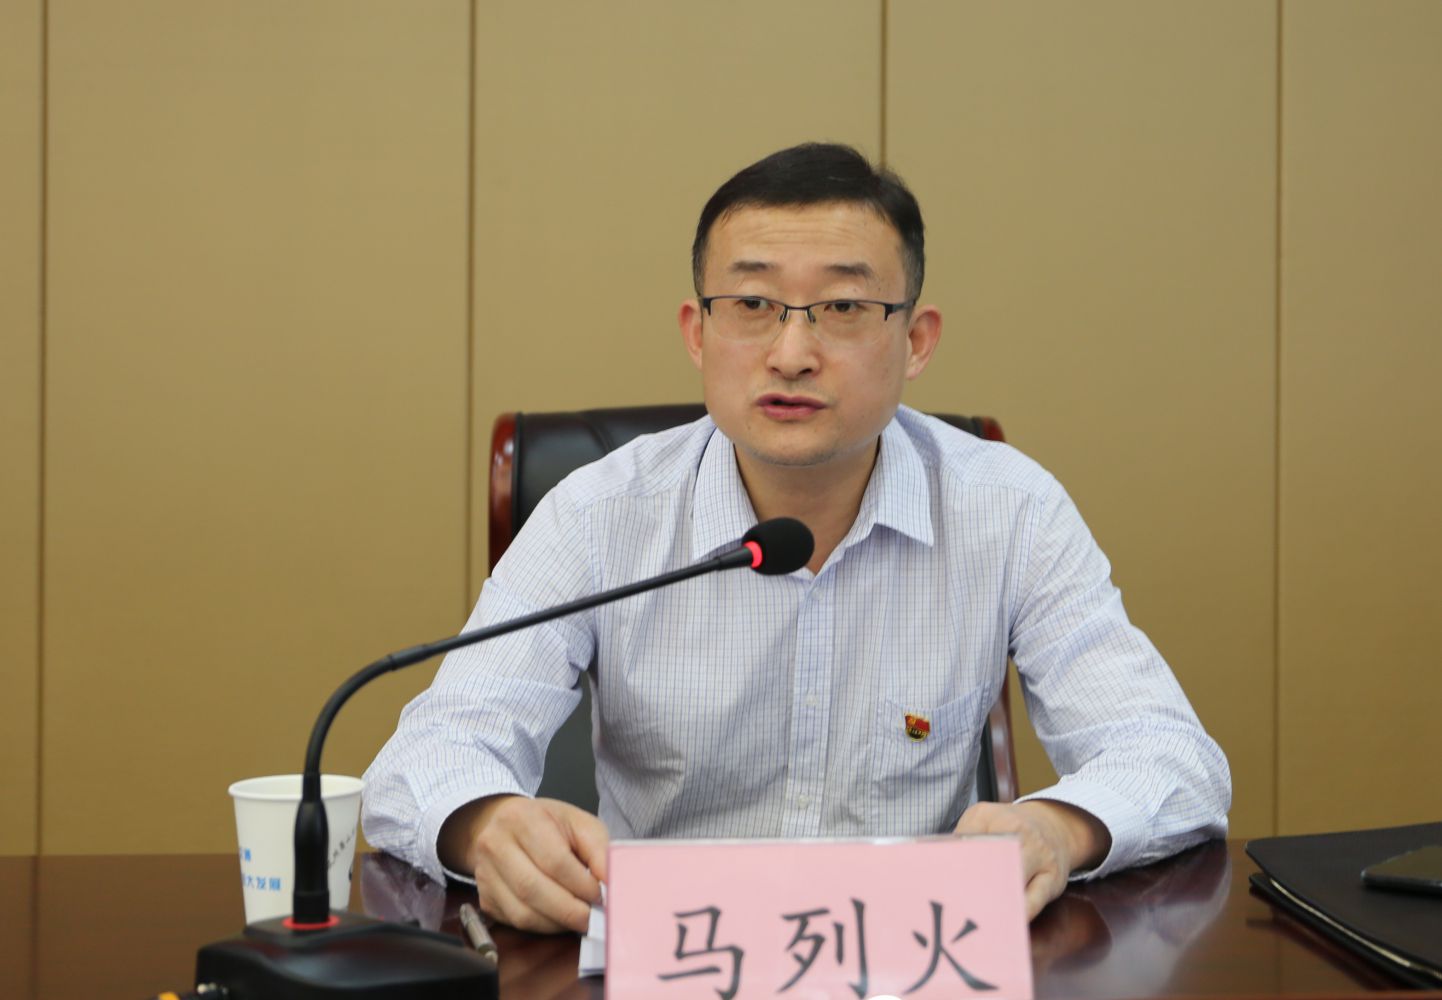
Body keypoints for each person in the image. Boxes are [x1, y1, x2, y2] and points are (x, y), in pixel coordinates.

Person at [362, 142, 1231, 936]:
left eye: (843, 306)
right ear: (697, 333)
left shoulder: (1008, 510)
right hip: (669, 960)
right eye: (752, 304)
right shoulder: (600, 514)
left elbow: (1170, 757)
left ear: (916, 341)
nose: (790, 352)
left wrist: (1059, 828)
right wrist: (486, 824)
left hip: (911, 959)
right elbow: (428, 756)